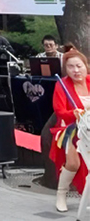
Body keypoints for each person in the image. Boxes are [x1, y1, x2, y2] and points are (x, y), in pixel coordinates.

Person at [50, 45, 90, 212]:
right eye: (71, 67)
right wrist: (73, 113)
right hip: (70, 128)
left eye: (79, 66)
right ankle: (61, 194)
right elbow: (60, 111)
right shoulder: (62, 85)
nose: (76, 70)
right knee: (73, 163)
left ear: (85, 66)